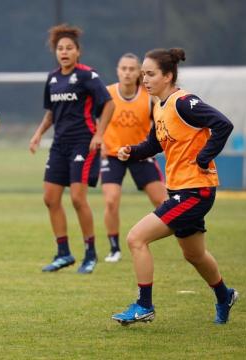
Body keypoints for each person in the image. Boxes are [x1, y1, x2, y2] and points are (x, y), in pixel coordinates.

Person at [112, 48, 237, 325]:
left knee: (136, 238)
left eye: (150, 73)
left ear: (168, 76)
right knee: (194, 254)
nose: (144, 79)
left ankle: (144, 306)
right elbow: (155, 144)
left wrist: (204, 157)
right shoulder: (158, 105)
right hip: (180, 190)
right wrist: (130, 151)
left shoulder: (184, 102)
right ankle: (224, 295)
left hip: (196, 191)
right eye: (143, 73)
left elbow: (223, 124)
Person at [29, 24, 115, 274]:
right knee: (50, 198)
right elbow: (51, 114)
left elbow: (108, 105)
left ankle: (90, 254)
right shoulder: (53, 78)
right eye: (60, 48)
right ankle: (63, 253)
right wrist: (37, 135)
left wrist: (99, 135)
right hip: (59, 146)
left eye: (69, 48)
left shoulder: (88, 76)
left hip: (83, 142)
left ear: (78, 52)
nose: (64, 52)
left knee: (78, 199)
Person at [100, 53, 167, 263]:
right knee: (111, 201)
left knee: (163, 202)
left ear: (139, 72)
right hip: (112, 154)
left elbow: (160, 123)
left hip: (139, 153)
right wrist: (99, 139)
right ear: (117, 71)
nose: (127, 72)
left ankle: (183, 238)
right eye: (123, 68)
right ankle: (114, 249)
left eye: (131, 69)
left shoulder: (148, 97)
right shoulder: (107, 94)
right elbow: (94, 121)